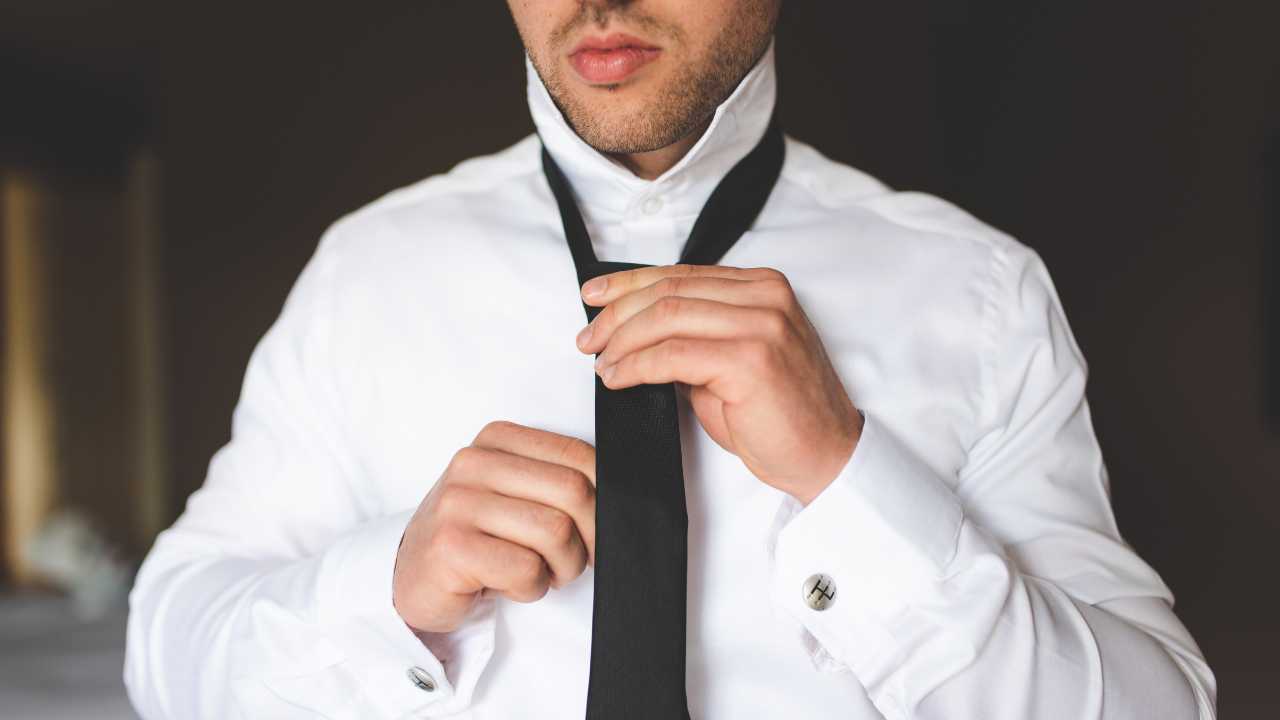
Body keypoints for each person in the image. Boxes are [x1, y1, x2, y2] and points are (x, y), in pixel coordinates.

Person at [124, 1, 1217, 718]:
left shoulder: (977, 292)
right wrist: (387, 593)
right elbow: (166, 652)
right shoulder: (369, 273)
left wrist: (849, 480)